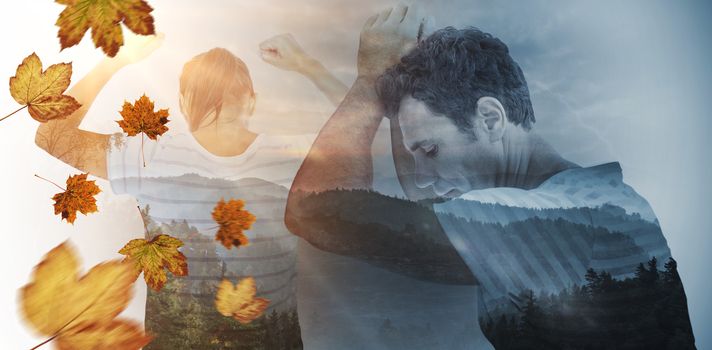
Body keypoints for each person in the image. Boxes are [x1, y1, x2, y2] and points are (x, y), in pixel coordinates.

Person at [285, 4, 695, 349]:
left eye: (431, 150)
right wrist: (402, 86)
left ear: (490, 118)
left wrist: (369, 81)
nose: (423, 176)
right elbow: (427, 192)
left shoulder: (551, 220)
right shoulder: (595, 201)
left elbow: (316, 208)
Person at [35, 32, 347, 349]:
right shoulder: (291, 159)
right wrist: (308, 67)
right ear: (251, 100)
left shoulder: (148, 156)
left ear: (183, 103)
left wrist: (115, 62)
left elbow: (52, 136)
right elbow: (363, 129)